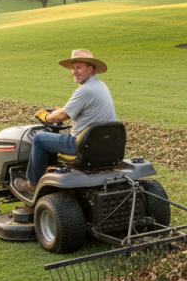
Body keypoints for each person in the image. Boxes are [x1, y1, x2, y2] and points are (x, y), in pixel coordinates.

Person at [12, 48, 116, 196]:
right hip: (102, 144)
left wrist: (46, 117)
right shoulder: (101, 86)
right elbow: (81, 111)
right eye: (73, 68)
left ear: (90, 68)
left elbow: (59, 117)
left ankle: (32, 183)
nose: (74, 71)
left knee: (39, 139)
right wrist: (62, 111)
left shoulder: (84, 90)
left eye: (79, 67)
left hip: (82, 146)